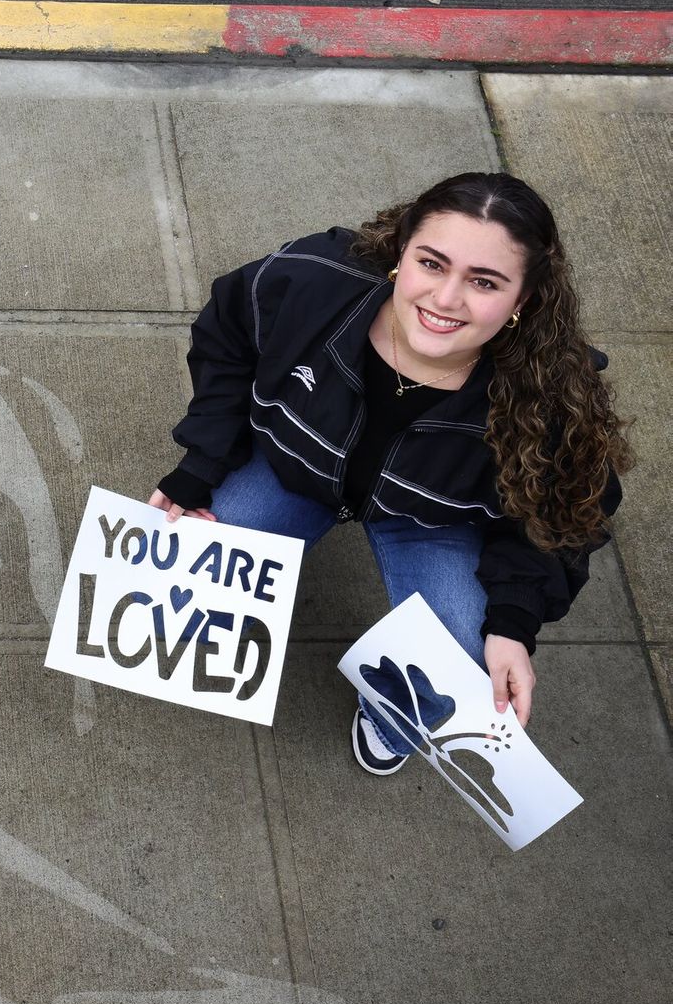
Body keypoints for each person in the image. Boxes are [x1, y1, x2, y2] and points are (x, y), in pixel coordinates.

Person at [149, 172, 630, 774]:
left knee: (465, 648)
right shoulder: (314, 280)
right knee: (188, 554)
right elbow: (227, 333)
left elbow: (562, 522)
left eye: (484, 282)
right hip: (296, 470)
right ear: (401, 253)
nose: (446, 299)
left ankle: (392, 717)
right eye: (432, 263)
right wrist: (203, 461)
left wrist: (512, 622)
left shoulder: (551, 396)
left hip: (431, 521)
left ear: (522, 301)